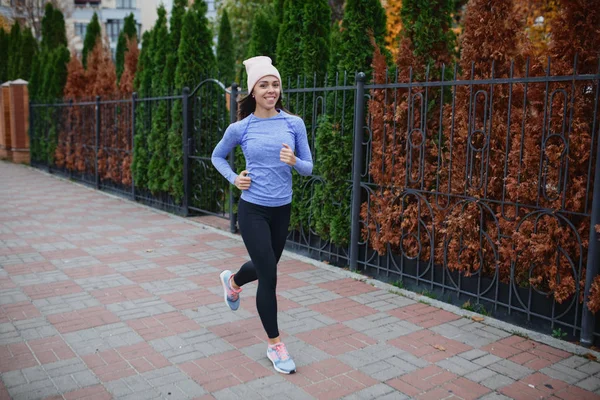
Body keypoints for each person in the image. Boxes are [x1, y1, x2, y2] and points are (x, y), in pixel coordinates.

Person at [211, 56, 313, 374]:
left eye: (275, 84)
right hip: (252, 208)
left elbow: (309, 168)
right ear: (253, 91)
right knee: (269, 276)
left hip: (281, 210)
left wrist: (295, 160)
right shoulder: (241, 128)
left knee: (264, 266)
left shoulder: (293, 124)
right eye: (264, 85)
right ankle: (275, 345)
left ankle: (234, 280)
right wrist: (234, 179)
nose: (271, 90)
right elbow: (217, 156)